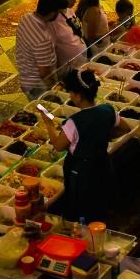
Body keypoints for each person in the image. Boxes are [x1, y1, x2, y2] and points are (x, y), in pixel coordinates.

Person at [39, 69, 117, 223]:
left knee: (82, 207)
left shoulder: (74, 122)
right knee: (100, 200)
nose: (70, 96)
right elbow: (124, 128)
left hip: (81, 172)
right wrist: (102, 135)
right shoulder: (107, 110)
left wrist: (49, 124)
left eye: (71, 93)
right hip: (102, 164)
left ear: (79, 96)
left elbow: (58, 146)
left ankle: (84, 229)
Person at [15, 0, 66, 97]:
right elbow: (44, 73)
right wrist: (56, 89)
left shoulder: (26, 18)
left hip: (25, 77)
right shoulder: (43, 39)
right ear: (52, 13)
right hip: (38, 86)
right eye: (58, 12)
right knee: (45, 107)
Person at [51, 0, 86, 73]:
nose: (75, 1)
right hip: (68, 69)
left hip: (81, 61)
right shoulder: (52, 20)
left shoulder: (69, 10)